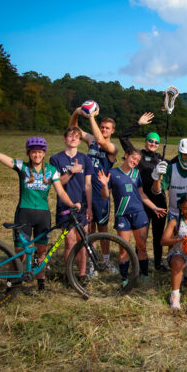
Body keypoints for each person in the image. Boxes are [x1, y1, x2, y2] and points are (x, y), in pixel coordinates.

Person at [0, 135, 80, 290]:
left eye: (40, 152)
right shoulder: (22, 167)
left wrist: (71, 204)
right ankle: (11, 284)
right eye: (33, 152)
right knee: (20, 254)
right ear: (29, 153)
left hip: (43, 215)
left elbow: (61, 192)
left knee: (41, 252)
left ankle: (41, 283)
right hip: (24, 214)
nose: (37, 155)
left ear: (44, 153)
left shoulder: (51, 170)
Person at [97, 148, 166, 283]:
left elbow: (141, 194)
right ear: (126, 155)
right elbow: (105, 196)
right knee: (124, 249)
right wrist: (104, 185)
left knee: (142, 247)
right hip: (122, 215)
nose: (134, 162)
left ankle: (144, 275)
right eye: (133, 158)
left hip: (139, 214)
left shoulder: (136, 174)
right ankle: (124, 278)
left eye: (137, 160)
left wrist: (154, 207)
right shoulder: (112, 173)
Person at [120, 112, 170, 271]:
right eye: (151, 140)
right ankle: (138, 264)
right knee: (141, 236)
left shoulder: (161, 159)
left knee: (158, 234)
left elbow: (176, 163)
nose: (153, 143)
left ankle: (158, 263)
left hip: (159, 200)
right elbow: (123, 138)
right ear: (146, 141)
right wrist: (138, 123)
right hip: (140, 200)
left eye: (156, 142)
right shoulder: (137, 155)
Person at [69, 106, 118, 259]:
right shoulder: (91, 140)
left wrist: (91, 117)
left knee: (103, 229)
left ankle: (106, 259)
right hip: (86, 190)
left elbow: (100, 140)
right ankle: (92, 261)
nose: (104, 129)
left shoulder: (112, 148)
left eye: (107, 128)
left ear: (112, 131)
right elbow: (73, 129)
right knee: (89, 229)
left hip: (101, 193)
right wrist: (76, 113)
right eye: (102, 127)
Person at [49, 126, 95, 278]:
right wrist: (71, 171)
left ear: (80, 140)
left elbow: (88, 185)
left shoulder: (85, 159)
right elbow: (57, 183)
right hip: (65, 206)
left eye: (77, 136)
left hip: (82, 206)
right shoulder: (55, 159)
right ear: (64, 139)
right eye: (70, 136)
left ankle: (81, 275)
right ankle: (69, 274)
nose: (74, 138)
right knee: (69, 242)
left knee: (83, 242)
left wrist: (89, 208)